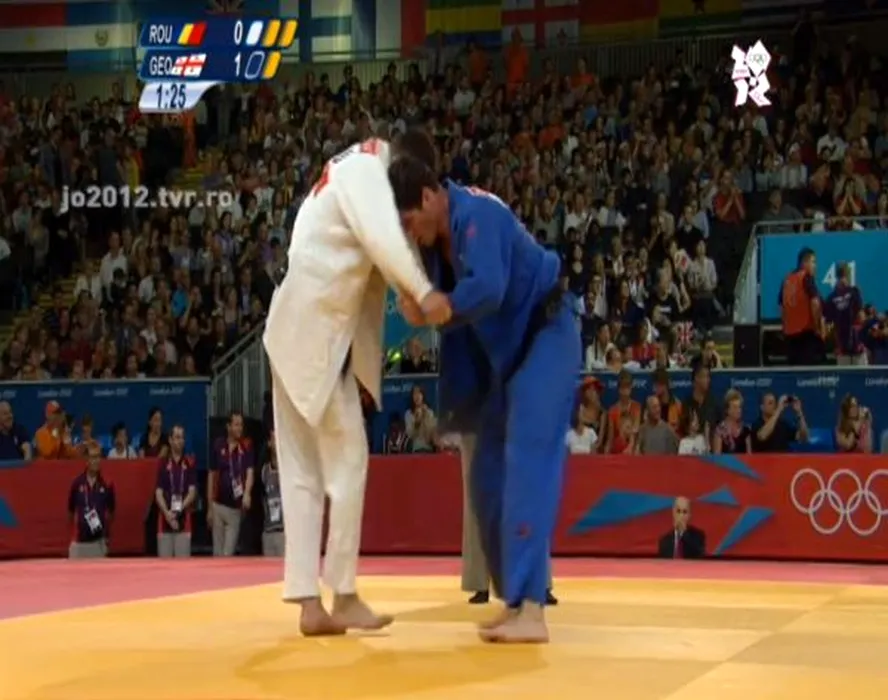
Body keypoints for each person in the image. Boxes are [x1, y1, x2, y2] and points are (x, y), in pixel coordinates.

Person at [262, 137, 450, 636]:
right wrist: (423, 291)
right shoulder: (367, 171)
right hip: (314, 332)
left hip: (292, 327)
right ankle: (342, 594)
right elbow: (384, 239)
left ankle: (309, 604)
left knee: (303, 470)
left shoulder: (350, 167)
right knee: (348, 460)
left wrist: (405, 293)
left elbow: (371, 261)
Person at [389, 156, 580, 644]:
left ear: (429, 197)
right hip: (507, 362)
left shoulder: (477, 214)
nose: (411, 234)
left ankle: (533, 608)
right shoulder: (438, 244)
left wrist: (442, 305)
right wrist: (422, 303)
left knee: (527, 460)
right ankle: (514, 598)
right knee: (485, 475)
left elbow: (489, 288)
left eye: (410, 221)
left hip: (548, 335)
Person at [780, 248, 825, 366]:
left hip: (790, 335)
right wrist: (818, 327)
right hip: (806, 333)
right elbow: (815, 302)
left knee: (793, 371)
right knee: (807, 371)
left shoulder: (787, 279)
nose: (815, 266)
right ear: (804, 263)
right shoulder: (806, 277)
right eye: (813, 262)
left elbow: (782, 306)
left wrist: (785, 327)